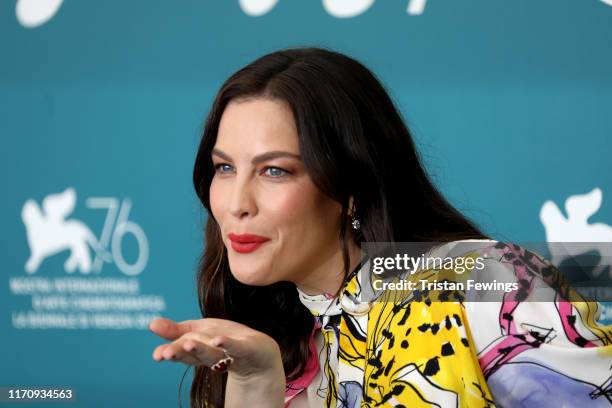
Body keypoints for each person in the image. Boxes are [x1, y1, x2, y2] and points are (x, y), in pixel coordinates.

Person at [149, 47, 612, 407]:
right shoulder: (271, 339)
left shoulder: (479, 281)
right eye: (224, 168)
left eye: (276, 171)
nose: (235, 205)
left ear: (351, 184)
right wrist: (255, 381)